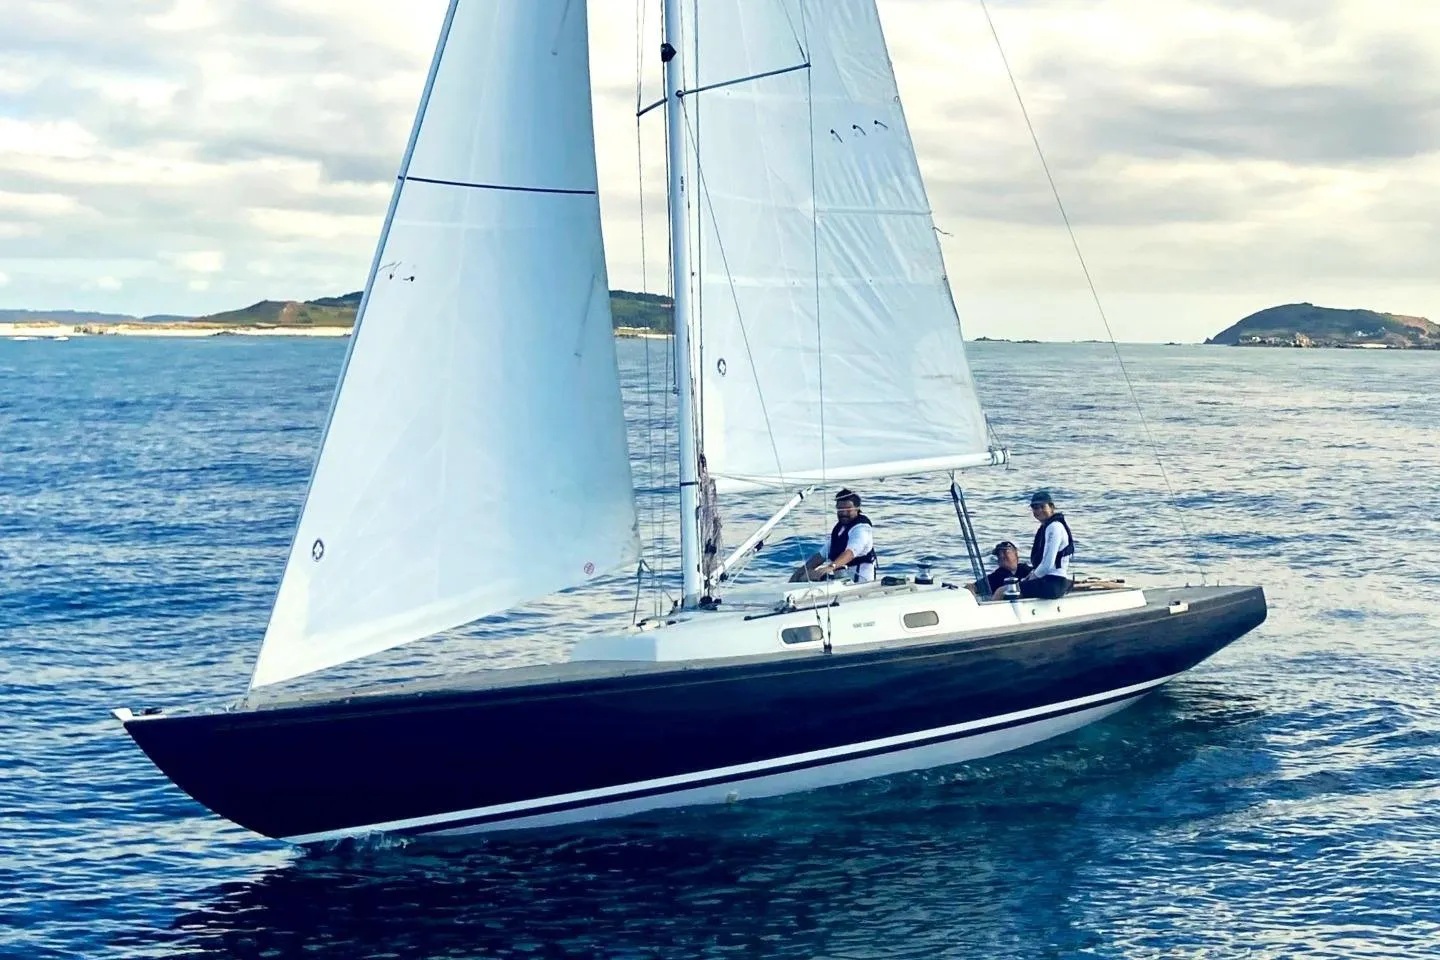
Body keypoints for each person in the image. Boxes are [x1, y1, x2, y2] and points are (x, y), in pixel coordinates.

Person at [791, 489, 877, 584]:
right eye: (840, 509)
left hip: (860, 582)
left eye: (848, 509)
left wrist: (831, 567)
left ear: (857, 508)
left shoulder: (861, 529)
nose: (844, 513)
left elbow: (851, 552)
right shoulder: (840, 528)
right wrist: (802, 570)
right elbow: (821, 555)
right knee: (804, 576)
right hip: (842, 579)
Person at [1021, 490, 1073, 599]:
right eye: (1035, 507)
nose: (1039, 510)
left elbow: (1047, 564)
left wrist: (1031, 578)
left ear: (1051, 507)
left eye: (1042, 506)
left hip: (1054, 583)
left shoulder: (1054, 527)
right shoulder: (1047, 527)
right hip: (1051, 581)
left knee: (1002, 591)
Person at [968, 540, 1033, 599]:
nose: (1002, 556)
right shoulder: (996, 577)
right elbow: (971, 587)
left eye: (1005, 552)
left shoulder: (1026, 570)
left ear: (1016, 554)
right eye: (998, 554)